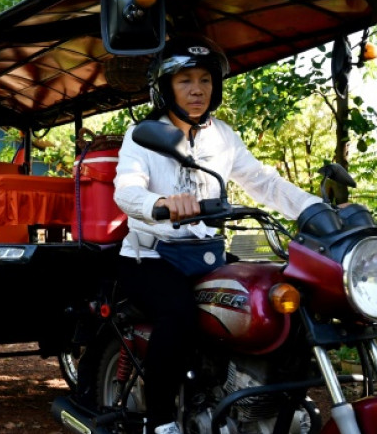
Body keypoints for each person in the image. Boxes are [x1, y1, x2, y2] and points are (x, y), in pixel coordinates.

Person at [112, 37, 322, 434]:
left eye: (205, 80)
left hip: (204, 258)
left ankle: (262, 403)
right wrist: (161, 204)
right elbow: (127, 189)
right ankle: (159, 423)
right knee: (179, 316)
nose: (197, 89)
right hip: (150, 258)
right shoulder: (144, 134)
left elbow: (263, 182)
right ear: (166, 88)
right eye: (185, 80)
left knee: (273, 306)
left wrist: (315, 210)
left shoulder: (222, 135)